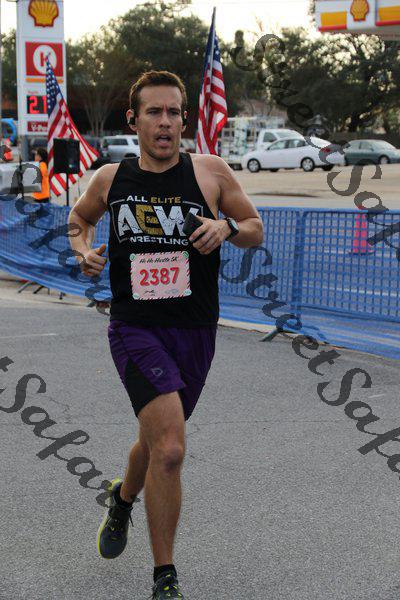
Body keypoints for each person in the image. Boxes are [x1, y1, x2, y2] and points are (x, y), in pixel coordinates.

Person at [68, 70, 264, 599]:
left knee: (156, 442)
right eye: (154, 112)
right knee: (172, 449)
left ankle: (122, 500)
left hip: (196, 330)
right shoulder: (110, 179)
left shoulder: (210, 172)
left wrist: (227, 227)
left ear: (184, 119)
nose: (165, 122)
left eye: (174, 112)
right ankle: (165, 578)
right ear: (133, 120)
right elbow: (79, 219)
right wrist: (83, 250)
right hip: (135, 328)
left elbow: (254, 228)